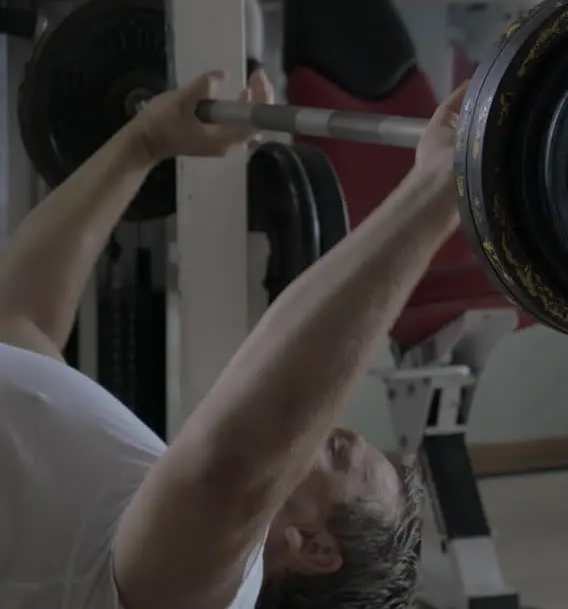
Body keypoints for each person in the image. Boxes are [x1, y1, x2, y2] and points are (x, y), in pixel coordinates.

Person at [0, 67, 466, 607]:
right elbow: (19, 321)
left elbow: (236, 463)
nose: (322, 428)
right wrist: (144, 143)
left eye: (338, 451)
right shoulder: (136, 497)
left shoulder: (199, 592)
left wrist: (435, 195)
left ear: (315, 548)